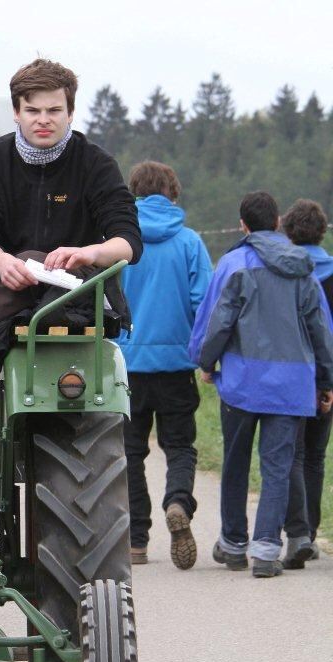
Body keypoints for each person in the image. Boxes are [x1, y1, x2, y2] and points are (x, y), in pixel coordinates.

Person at [0, 58, 142, 443]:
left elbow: (128, 242)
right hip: (2, 283)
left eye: (54, 110)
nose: (44, 119)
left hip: (73, 286)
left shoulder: (96, 163)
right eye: (33, 110)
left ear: (70, 112)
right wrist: (3, 261)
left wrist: (89, 252)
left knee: (32, 258)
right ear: (17, 113)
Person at [189, 191, 333, 578]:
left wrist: (205, 361)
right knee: (278, 468)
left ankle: (234, 545)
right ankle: (267, 551)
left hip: (241, 382)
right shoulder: (303, 267)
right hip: (291, 386)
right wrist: (325, 380)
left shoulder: (234, 264)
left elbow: (218, 320)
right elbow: (320, 330)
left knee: (235, 463)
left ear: (243, 225)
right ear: (277, 223)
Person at [117, 161, 213, 569]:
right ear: (173, 193)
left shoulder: (120, 243)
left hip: (129, 363)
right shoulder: (190, 243)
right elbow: (205, 303)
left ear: (133, 195)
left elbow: (107, 298)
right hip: (176, 364)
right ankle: (177, 501)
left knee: (130, 452)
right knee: (179, 447)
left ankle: (137, 539)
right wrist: (206, 355)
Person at [280, 198, 333, 567]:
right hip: (329, 375)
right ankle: (311, 531)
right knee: (316, 456)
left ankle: (300, 533)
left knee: (295, 455)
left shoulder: (285, 272)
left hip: (296, 373)